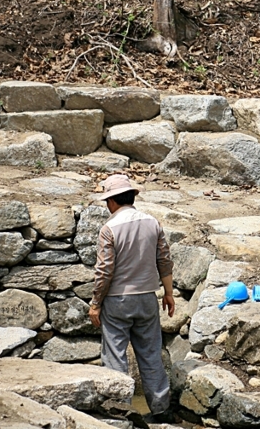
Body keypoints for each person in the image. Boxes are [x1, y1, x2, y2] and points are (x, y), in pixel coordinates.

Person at [88, 174, 176, 424]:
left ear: (111, 202)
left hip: (117, 302)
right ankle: (161, 410)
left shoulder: (109, 228)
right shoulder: (152, 223)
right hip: (147, 299)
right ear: (131, 197)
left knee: (115, 357)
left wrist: (96, 303)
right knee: (150, 355)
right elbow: (164, 261)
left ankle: (120, 412)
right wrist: (168, 293)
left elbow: (104, 271)